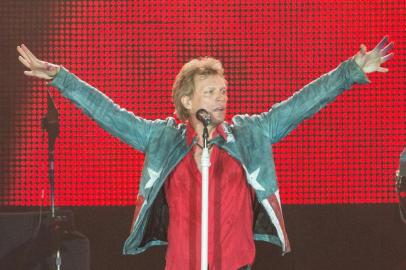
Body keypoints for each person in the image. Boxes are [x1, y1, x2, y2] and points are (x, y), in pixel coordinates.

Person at [17, 37, 394, 270]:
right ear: (186, 100)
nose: (221, 97)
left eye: (223, 91)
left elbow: (303, 103)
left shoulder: (250, 133)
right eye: (211, 90)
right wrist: (60, 78)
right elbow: (107, 112)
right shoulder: (162, 139)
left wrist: (350, 71)